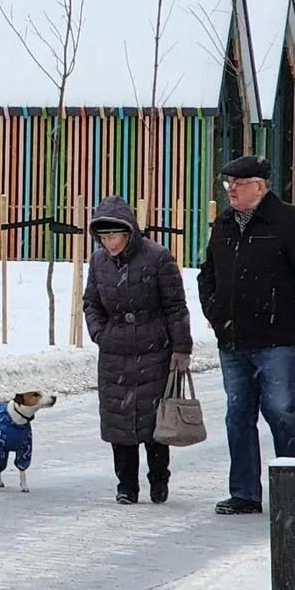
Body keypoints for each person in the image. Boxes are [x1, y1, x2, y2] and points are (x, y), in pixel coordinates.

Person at [198, 155, 295, 516]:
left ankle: (290, 475)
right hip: (232, 340)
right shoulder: (225, 224)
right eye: (227, 183)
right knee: (237, 414)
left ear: (260, 187)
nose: (230, 189)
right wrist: (214, 312)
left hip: (277, 338)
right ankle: (244, 492)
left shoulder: (290, 222)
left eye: (238, 184)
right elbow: (207, 274)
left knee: (278, 409)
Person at [81, 196, 191, 505]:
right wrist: (100, 332)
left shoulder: (158, 258)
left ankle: (159, 479)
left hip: (154, 348)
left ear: (130, 232)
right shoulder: (99, 261)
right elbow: (91, 302)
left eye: (114, 236)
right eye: (103, 237)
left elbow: (175, 306)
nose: (110, 243)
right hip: (114, 350)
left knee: (156, 421)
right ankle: (126, 485)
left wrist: (181, 347)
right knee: (120, 421)